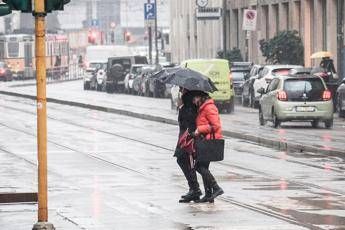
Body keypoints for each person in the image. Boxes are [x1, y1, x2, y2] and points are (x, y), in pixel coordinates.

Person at [191, 91, 224, 203]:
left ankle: (216, 188)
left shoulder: (209, 107)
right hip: (204, 140)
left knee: (199, 166)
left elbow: (216, 125)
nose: (194, 101)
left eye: (195, 98)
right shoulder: (202, 108)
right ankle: (209, 194)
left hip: (210, 141)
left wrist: (200, 130)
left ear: (201, 97)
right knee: (203, 167)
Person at [174, 88, 201, 203]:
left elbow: (189, 121)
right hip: (184, 137)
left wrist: (182, 107)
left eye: (181, 89)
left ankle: (195, 189)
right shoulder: (186, 104)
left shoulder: (189, 105)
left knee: (186, 161)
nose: (180, 90)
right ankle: (193, 189)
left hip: (188, 138)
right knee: (183, 160)